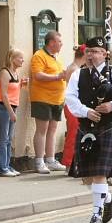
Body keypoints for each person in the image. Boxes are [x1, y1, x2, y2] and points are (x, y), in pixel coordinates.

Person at [65, 36, 112, 223]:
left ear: (104, 54)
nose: (90, 55)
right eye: (88, 51)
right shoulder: (77, 75)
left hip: (108, 127)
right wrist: (86, 111)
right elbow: (70, 98)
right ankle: (108, 198)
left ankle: (96, 214)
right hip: (86, 127)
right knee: (87, 178)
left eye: (95, 51)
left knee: (99, 174)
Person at [30, 30, 67, 173]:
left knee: (52, 130)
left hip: (57, 99)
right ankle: (39, 161)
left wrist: (63, 75)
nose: (61, 44)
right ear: (51, 42)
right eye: (59, 41)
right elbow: (38, 75)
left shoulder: (55, 58)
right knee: (42, 130)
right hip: (42, 98)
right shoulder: (39, 56)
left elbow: (58, 75)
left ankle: (50, 159)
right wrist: (58, 77)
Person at [0, 48, 25, 177]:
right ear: (12, 59)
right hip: (3, 107)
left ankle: (6, 165)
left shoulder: (15, 73)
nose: (23, 60)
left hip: (12, 107)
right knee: (3, 138)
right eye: (20, 58)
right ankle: (2, 168)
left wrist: (21, 85)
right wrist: (11, 112)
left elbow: (13, 91)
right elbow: (4, 95)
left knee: (9, 139)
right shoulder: (4, 73)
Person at [62, 44, 86, 174]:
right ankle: (68, 163)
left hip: (74, 105)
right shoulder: (74, 69)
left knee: (75, 134)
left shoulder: (75, 67)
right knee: (73, 134)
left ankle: (72, 163)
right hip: (72, 105)